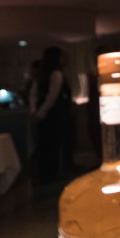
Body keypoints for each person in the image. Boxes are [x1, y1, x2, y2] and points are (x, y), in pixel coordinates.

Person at [29, 46, 76, 184]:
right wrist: (41, 113)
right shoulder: (56, 74)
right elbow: (52, 97)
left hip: (47, 115)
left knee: (46, 143)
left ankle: (47, 172)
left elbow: (34, 94)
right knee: (53, 144)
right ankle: (52, 174)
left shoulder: (43, 73)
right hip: (55, 115)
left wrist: (35, 112)